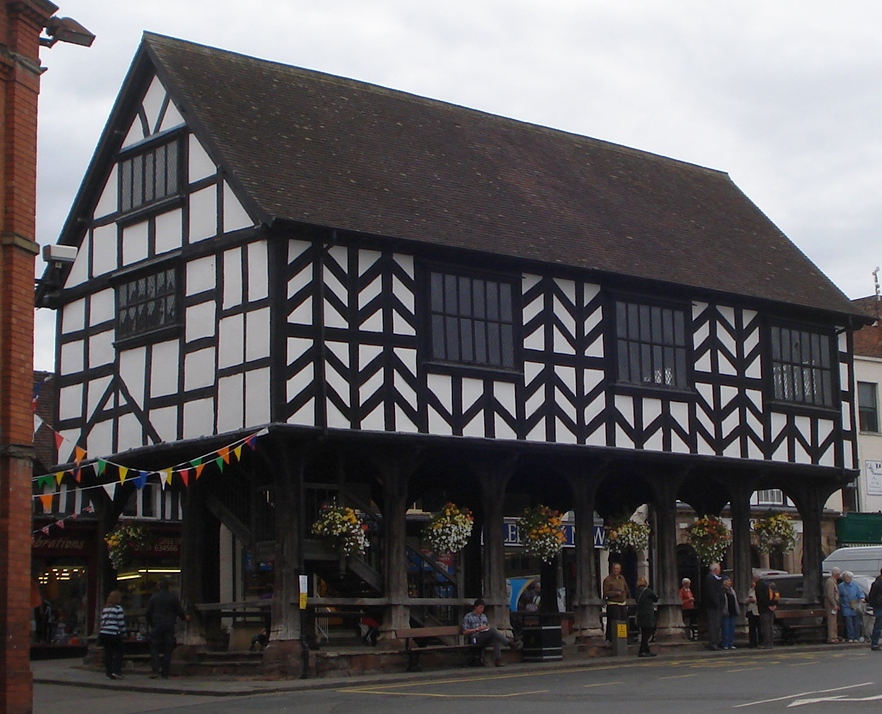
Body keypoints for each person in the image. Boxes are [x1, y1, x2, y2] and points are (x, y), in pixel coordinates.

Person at [145, 578, 189, 679]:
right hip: (169, 624)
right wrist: (184, 617)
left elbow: (148, 612)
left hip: (157, 624)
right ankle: (165, 671)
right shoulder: (172, 597)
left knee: (154, 647)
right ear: (168, 587)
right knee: (167, 648)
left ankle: (156, 668)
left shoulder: (154, 597)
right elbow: (179, 610)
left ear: (159, 587)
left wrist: (151, 623)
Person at [461, 598, 518, 667]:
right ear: (475, 607)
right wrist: (477, 629)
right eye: (480, 608)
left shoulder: (483, 616)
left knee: (494, 637)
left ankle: (498, 660)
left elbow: (487, 627)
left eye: (483, 608)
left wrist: (486, 628)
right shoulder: (468, 617)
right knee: (493, 630)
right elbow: (465, 631)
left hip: (484, 636)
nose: (482, 610)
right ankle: (508, 643)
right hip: (474, 638)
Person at [99, 590, 126, 680]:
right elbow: (120, 623)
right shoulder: (118, 609)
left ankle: (108, 673)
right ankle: (116, 671)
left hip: (104, 633)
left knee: (108, 653)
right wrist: (123, 632)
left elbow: (102, 621)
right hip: (114, 633)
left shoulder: (105, 609)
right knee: (119, 652)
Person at [603, 562, 631, 643]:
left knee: (623, 621)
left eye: (618, 569)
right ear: (612, 569)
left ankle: (623, 639)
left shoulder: (622, 578)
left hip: (622, 603)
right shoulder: (608, 579)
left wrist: (627, 595)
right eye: (615, 568)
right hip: (613, 603)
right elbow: (606, 592)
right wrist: (615, 593)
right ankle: (611, 639)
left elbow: (626, 588)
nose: (616, 570)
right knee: (615, 621)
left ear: (620, 570)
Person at [702, 563, 725, 651]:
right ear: (715, 570)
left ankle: (715, 642)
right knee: (713, 625)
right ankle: (713, 643)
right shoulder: (709, 579)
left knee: (717, 625)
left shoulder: (715, 579)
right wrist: (717, 604)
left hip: (717, 606)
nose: (720, 571)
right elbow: (712, 593)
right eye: (719, 569)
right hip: (712, 606)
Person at [838, 571, 865, 643]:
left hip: (855, 607)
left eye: (849, 577)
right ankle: (850, 637)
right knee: (849, 623)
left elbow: (860, 593)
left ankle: (857, 637)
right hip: (846, 606)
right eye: (846, 577)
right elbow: (838, 596)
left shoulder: (855, 585)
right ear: (844, 578)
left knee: (856, 623)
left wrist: (862, 598)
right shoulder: (841, 586)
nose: (848, 579)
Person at [635, 576, 659, 657]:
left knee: (644, 633)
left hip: (640, 614)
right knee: (647, 633)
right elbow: (656, 599)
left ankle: (647, 651)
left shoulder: (637, 592)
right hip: (648, 614)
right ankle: (641, 651)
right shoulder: (648, 591)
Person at [754, 576, 777, 649]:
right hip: (772, 608)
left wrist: (768, 605)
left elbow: (761, 598)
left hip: (764, 609)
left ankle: (766, 643)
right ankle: (771, 643)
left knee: (765, 626)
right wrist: (774, 604)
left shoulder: (759, 586)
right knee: (770, 626)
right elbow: (776, 595)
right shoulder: (771, 584)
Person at [721, 576, 739, 650]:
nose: (730, 582)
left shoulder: (732, 590)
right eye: (728, 581)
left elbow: (735, 601)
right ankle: (725, 644)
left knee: (732, 629)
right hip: (726, 612)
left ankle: (730, 643)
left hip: (733, 611)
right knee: (726, 629)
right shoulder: (722, 590)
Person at [824, 567, 842, 643]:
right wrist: (834, 604)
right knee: (831, 621)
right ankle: (831, 637)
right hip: (830, 604)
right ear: (837, 574)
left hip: (833, 603)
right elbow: (830, 594)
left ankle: (834, 636)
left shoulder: (833, 581)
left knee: (834, 622)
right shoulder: (830, 582)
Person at [867, 568, 882, 651]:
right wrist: (875, 605)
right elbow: (871, 597)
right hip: (879, 607)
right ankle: (874, 643)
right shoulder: (876, 584)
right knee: (878, 626)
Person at [746, 575, 760, 648]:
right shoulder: (750, 590)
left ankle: (759, 642)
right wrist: (748, 600)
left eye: (754, 582)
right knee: (752, 628)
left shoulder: (759, 590)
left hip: (757, 610)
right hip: (750, 610)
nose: (752, 583)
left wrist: (754, 600)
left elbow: (761, 599)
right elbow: (747, 599)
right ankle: (752, 643)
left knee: (759, 627)